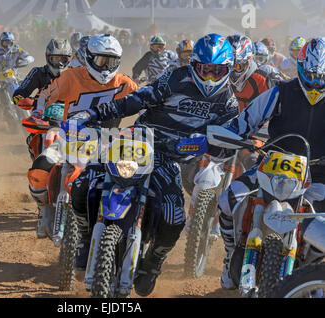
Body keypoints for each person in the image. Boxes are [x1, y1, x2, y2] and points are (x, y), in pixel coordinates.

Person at [69, 33, 239, 296]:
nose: (210, 77)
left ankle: (152, 263)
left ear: (228, 69)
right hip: (140, 141)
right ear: (194, 65)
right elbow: (134, 101)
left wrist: (206, 144)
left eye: (218, 71)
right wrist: (92, 113)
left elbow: (228, 142)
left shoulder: (228, 102)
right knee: (82, 182)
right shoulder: (175, 79)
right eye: (205, 69)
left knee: (174, 216)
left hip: (172, 159)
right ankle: (83, 235)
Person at [215, 37, 325, 290]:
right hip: (273, 163)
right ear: (300, 68)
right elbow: (246, 119)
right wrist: (230, 134)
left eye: (322, 76)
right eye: (311, 75)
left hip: (318, 173)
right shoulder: (281, 91)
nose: (317, 82)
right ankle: (230, 254)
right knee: (227, 200)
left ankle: (314, 277)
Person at [27, 34, 139, 239]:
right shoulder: (71, 77)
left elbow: (144, 101)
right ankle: (44, 210)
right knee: (39, 170)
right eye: (100, 61)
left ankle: (124, 229)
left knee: (132, 176)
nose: (105, 67)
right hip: (69, 137)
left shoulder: (124, 83)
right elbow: (45, 94)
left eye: (111, 61)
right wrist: (38, 111)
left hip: (109, 141)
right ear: (89, 57)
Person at [12, 38, 72, 160]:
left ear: (69, 59)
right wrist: (24, 100)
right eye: (55, 59)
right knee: (32, 140)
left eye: (63, 59)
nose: (59, 63)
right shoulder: (38, 72)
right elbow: (20, 92)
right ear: (47, 57)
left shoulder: (76, 75)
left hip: (70, 118)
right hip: (43, 118)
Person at [226, 35, 273, 112]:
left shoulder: (262, 80)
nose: (232, 70)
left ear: (247, 62)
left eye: (238, 66)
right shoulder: (217, 75)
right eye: (229, 65)